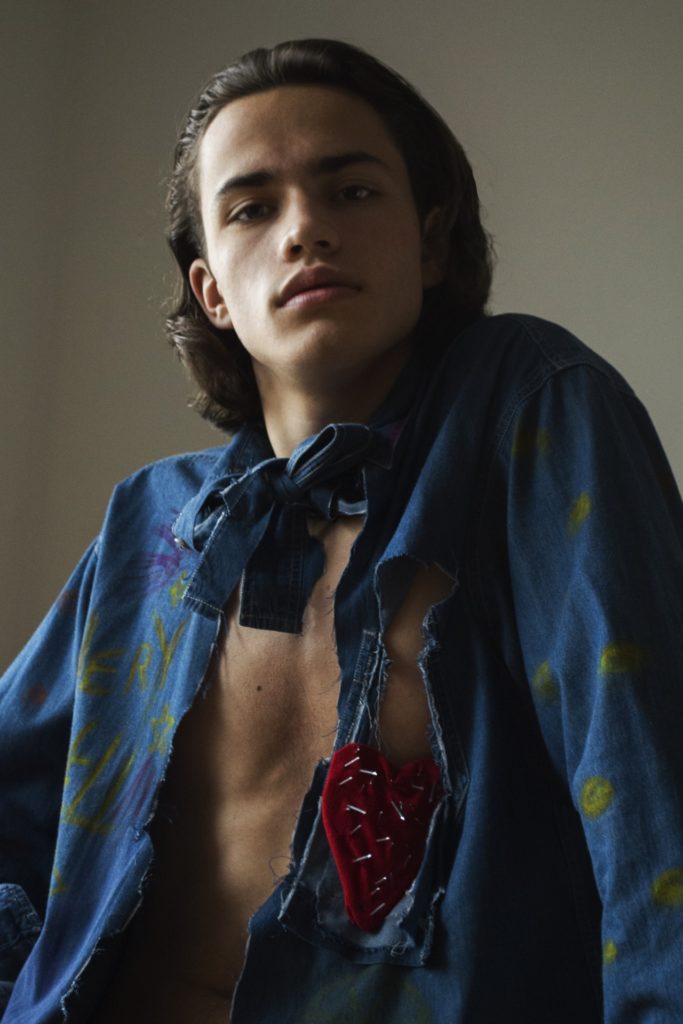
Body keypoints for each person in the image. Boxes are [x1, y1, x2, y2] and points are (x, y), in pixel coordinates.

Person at [1, 37, 681, 1024]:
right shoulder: (154, 521)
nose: (305, 229)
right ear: (211, 291)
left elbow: (653, 803)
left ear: (430, 244)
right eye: (251, 208)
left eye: (351, 191)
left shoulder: (525, 411)